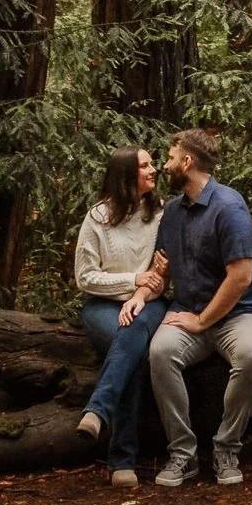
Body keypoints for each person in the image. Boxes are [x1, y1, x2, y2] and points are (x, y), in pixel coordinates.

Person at [135, 128, 252, 489]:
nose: (166, 165)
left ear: (187, 162)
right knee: (160, 353)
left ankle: (226, 447)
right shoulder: (173, 213)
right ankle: (183, 453)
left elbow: (240, 277)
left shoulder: (229, 206)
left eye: (170, 157)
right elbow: (162, 270)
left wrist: (203, 321)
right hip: (187, 311)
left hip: (239, 313)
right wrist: (145, 288)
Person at [73, 146, 169, 487]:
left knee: (130, 343)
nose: (153, 170)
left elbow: (162, 274)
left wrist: (142, 291)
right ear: (126, 175)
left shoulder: (159, 215)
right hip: (102, 304)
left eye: (153, 164)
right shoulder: (97, 217)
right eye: (145, 165)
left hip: (150, 302)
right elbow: (85, 277)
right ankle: (122, 459)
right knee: (131, 349)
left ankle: (98, 412)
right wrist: (132, 280)